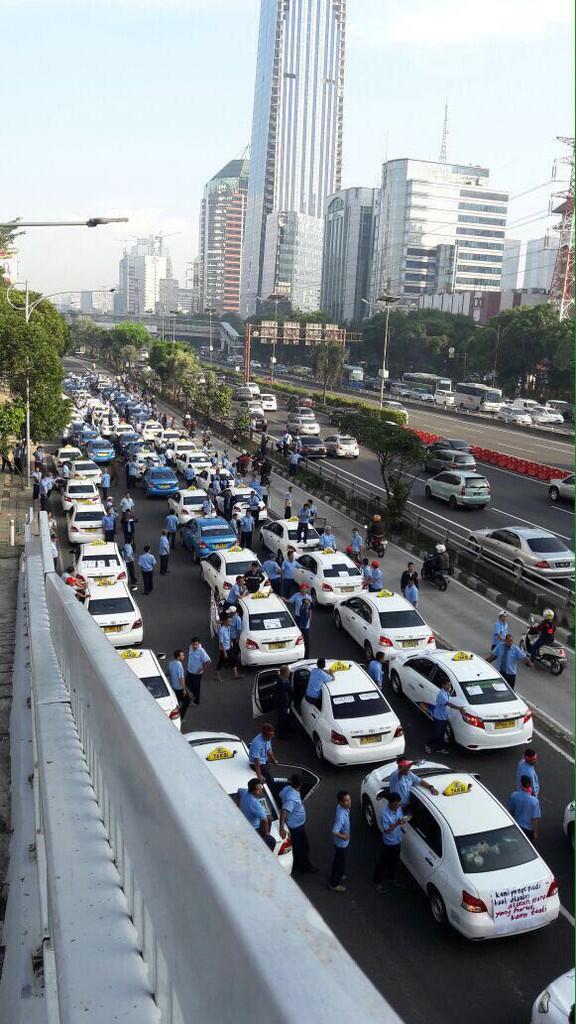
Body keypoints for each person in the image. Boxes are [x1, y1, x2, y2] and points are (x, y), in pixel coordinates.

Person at [279, 775, 317, 873]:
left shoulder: (287, 789)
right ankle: (305, 866)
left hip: (296, 824)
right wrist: (281, 828)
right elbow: (284, 811)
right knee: (303, 847)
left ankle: (297, 862)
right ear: (300, 784)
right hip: (296, 827)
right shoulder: (291, 798)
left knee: (297, 846)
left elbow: (280, 795)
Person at [374, 793, 406, 894]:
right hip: (388, 843)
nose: (397, 806)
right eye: (396, 804)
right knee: (382, 863)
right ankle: (377, 882)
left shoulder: (398, 809)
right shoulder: (384, 814)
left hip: (397, 840)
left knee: (394, 861)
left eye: (398, 804)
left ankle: (391, 878)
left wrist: (402, 821)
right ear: (391, 803)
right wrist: (397, 823)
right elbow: (387, 830)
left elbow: (400, 819)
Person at [238, 779, 276, 852]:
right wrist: (266, 833)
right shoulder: (255, 804)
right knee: (271, 841)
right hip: (254, 829)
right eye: (259, 789)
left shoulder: (245, 792)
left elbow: (239, 790)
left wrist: (238, 805)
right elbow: (265, 820)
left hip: (246, 822)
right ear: (254, 791)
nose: (261, 790)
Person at [425, 678, 461, 754]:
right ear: (443, 685)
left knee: (442, 734)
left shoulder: (446, 692)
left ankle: (440, 748)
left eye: (450, 685)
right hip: (438, 718)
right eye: (448, 685)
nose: (449, 687)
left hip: (444, 717)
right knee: (436, 734)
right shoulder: (441, 695)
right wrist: (459, 708)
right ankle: (428, 745)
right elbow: (448, 704)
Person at [329, 791, 351, 893]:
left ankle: (341, 874)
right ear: (341, 802)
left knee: (341, 860)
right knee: (338, 862)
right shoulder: (341, 815)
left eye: (349, 799)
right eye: (346, 801)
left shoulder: (341, 807)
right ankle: (334, 883)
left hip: (341, 843)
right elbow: (334, 831)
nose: (349, 802)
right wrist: (344, 837)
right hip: (340, 843)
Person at [508, 776, 541, 841]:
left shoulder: (514, 795)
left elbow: (511, 811)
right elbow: (534, 819)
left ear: (520, 784)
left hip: (516, 826)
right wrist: (535, 832)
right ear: (530, 785)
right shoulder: (534, 801)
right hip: (528, 830)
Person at [185, 637, 212, 706]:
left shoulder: (201, 651)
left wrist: (202, 669)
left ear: (199, 644)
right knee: (187, 684)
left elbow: (208, 661)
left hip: (197, 674)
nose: (194, 646)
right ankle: (193, 695)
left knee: (196, 688)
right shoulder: (190, 647)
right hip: (189, 671)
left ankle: (196, 701)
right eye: (193, 644)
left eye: (196, 644)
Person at [167, 649, 189, 719]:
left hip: (173, 687)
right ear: (178, 657)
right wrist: (184, 689)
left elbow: (167, 673)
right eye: (182, 655)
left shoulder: (171, 663)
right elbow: (181, 678)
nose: (183, 656)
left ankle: (176, 714)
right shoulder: (179, 665)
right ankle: (181, 717)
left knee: (177, 702)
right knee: (186, 701)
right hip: (179, 688)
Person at [273, 665, 293, 738]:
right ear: (284, 673)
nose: (289, 673)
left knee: (287, 716)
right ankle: (281, 735)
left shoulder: (284, 679)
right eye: (288, 671)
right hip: (282, 705)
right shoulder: (280, 683)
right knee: (281, 719)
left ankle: (288, 729)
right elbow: (280, 695)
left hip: (286, 704)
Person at [217, 615, 239, 681]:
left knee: (233, 661)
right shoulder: (222, 631)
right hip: (224, 650)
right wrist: (224, 653)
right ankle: (218, 677)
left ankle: (236, 675)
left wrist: (230, 643)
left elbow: (229, 637)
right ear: (225, 622)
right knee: (221, 663)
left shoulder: (228, 627)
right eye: (229, 621)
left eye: (230, 621)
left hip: (229, 648)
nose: (230, 622)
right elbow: (221, 642)